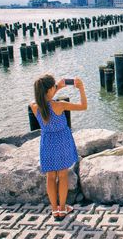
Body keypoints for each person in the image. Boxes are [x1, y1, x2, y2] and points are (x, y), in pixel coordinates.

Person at [29, 74, 87, 221]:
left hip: (47, 142)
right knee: (62, 175)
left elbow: (44, 99)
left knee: (50, 177)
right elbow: (83, 106)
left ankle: (54, 210)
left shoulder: (34, 106)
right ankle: (62, 208)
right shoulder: (59, 105)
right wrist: (81, 89)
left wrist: (58, 87)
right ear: (49, 90)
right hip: (61, 141)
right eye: (53, 87)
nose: (56, 88)